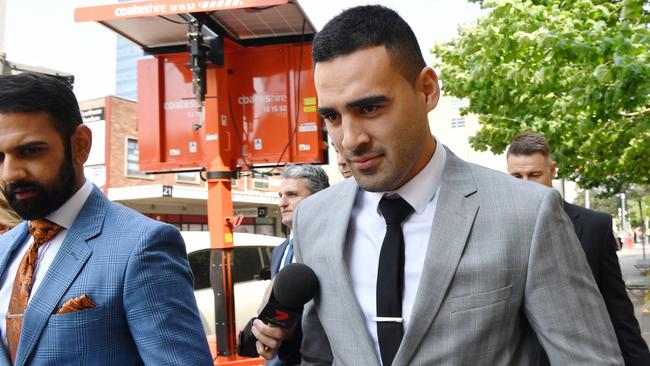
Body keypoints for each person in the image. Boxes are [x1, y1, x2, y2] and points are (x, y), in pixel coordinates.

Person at [254, 5, 624, 365]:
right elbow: (321, 351)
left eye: (369, 108)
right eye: (332, 116)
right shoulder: (314, 218)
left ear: (427, 91)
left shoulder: (528, 214)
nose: (349, 139)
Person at [0, 73, 212, 365]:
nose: (10, 173)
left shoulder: (143, 245)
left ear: (80, 145)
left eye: (30, 151)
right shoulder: (6, 246)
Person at [506, 131, 650, 366]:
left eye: (534, 175)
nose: (525, 185)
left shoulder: (595, 226)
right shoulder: (495, 227)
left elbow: (617, 308)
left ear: (552, 171)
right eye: (516, 176)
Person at [262, 164, 329, 365]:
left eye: (291, 195)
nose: (282, 203)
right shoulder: (279, 251)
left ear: (319, 199)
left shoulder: (333, 248)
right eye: (280, 195)